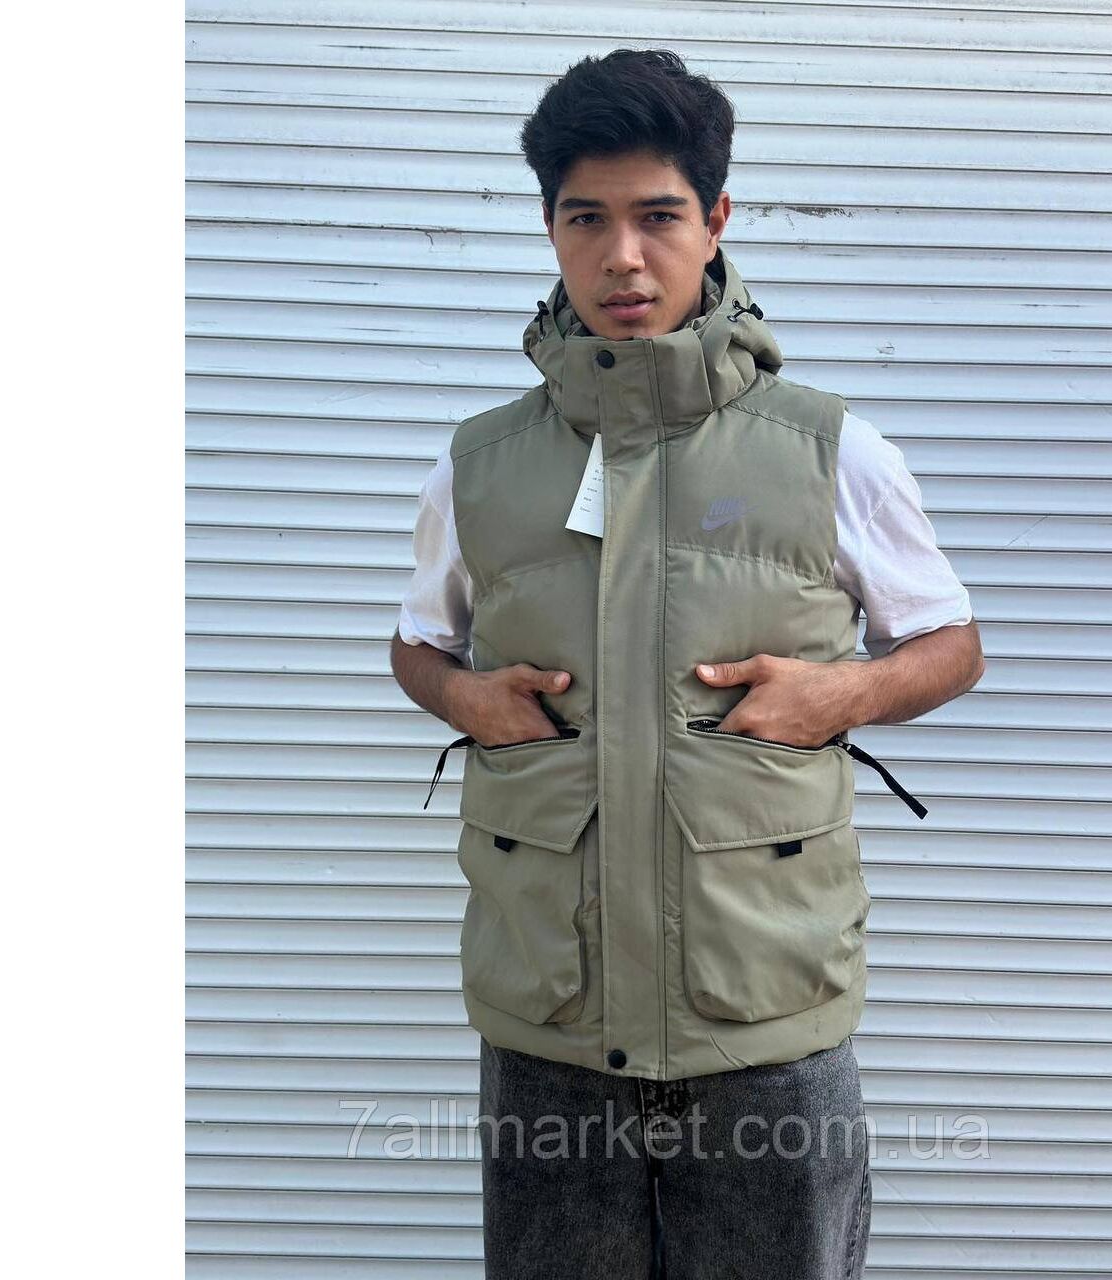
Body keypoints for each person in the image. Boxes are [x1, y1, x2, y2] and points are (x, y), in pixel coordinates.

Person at [389, 48, 983, 1280]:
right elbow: (418, 643)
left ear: (715, 218)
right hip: (551, 1011)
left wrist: (843, 691)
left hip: (763, 1006)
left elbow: (948, 644)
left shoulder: (831, 452)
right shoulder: (478, 463)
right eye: (585, 219)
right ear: (548, 227)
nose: (622, 258)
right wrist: (460, 694)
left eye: (657, 217)